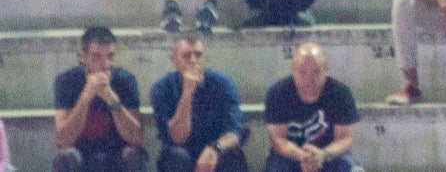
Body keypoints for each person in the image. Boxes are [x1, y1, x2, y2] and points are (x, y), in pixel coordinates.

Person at [52, 26, 145, 172]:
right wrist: (85, 97)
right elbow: (63, 140)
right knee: (66, 157)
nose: (105, 64)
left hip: (117, 153)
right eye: (97, 57)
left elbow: (137, 138)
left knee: (134, 155)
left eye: (110, 56)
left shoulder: (125, 80)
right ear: (83, 56)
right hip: (81, 154)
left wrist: (113, 100)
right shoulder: (67, 81)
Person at [148, 37, 246, 172]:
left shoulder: (224, 84)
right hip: (180, 150)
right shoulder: (162, 88)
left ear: (205, 58)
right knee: (176, 157)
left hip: (215, 146)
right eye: (186, 56)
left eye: (198, 55)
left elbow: (234, 133)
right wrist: (188, 91)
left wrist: (215, 148)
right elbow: (178, 137)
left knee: (233, 157)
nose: (193, 61)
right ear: (174, 61)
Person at [264, 42, 360, 172]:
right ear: (293, 69)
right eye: (302, 72)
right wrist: (302, 156)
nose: (309, 79)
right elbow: (277, 140)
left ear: (325, 69)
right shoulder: (278, 92)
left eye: (316, 72)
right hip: (289, 157)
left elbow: (345, 139)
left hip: (330, 155)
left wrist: (322, 155)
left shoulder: (340, 93)